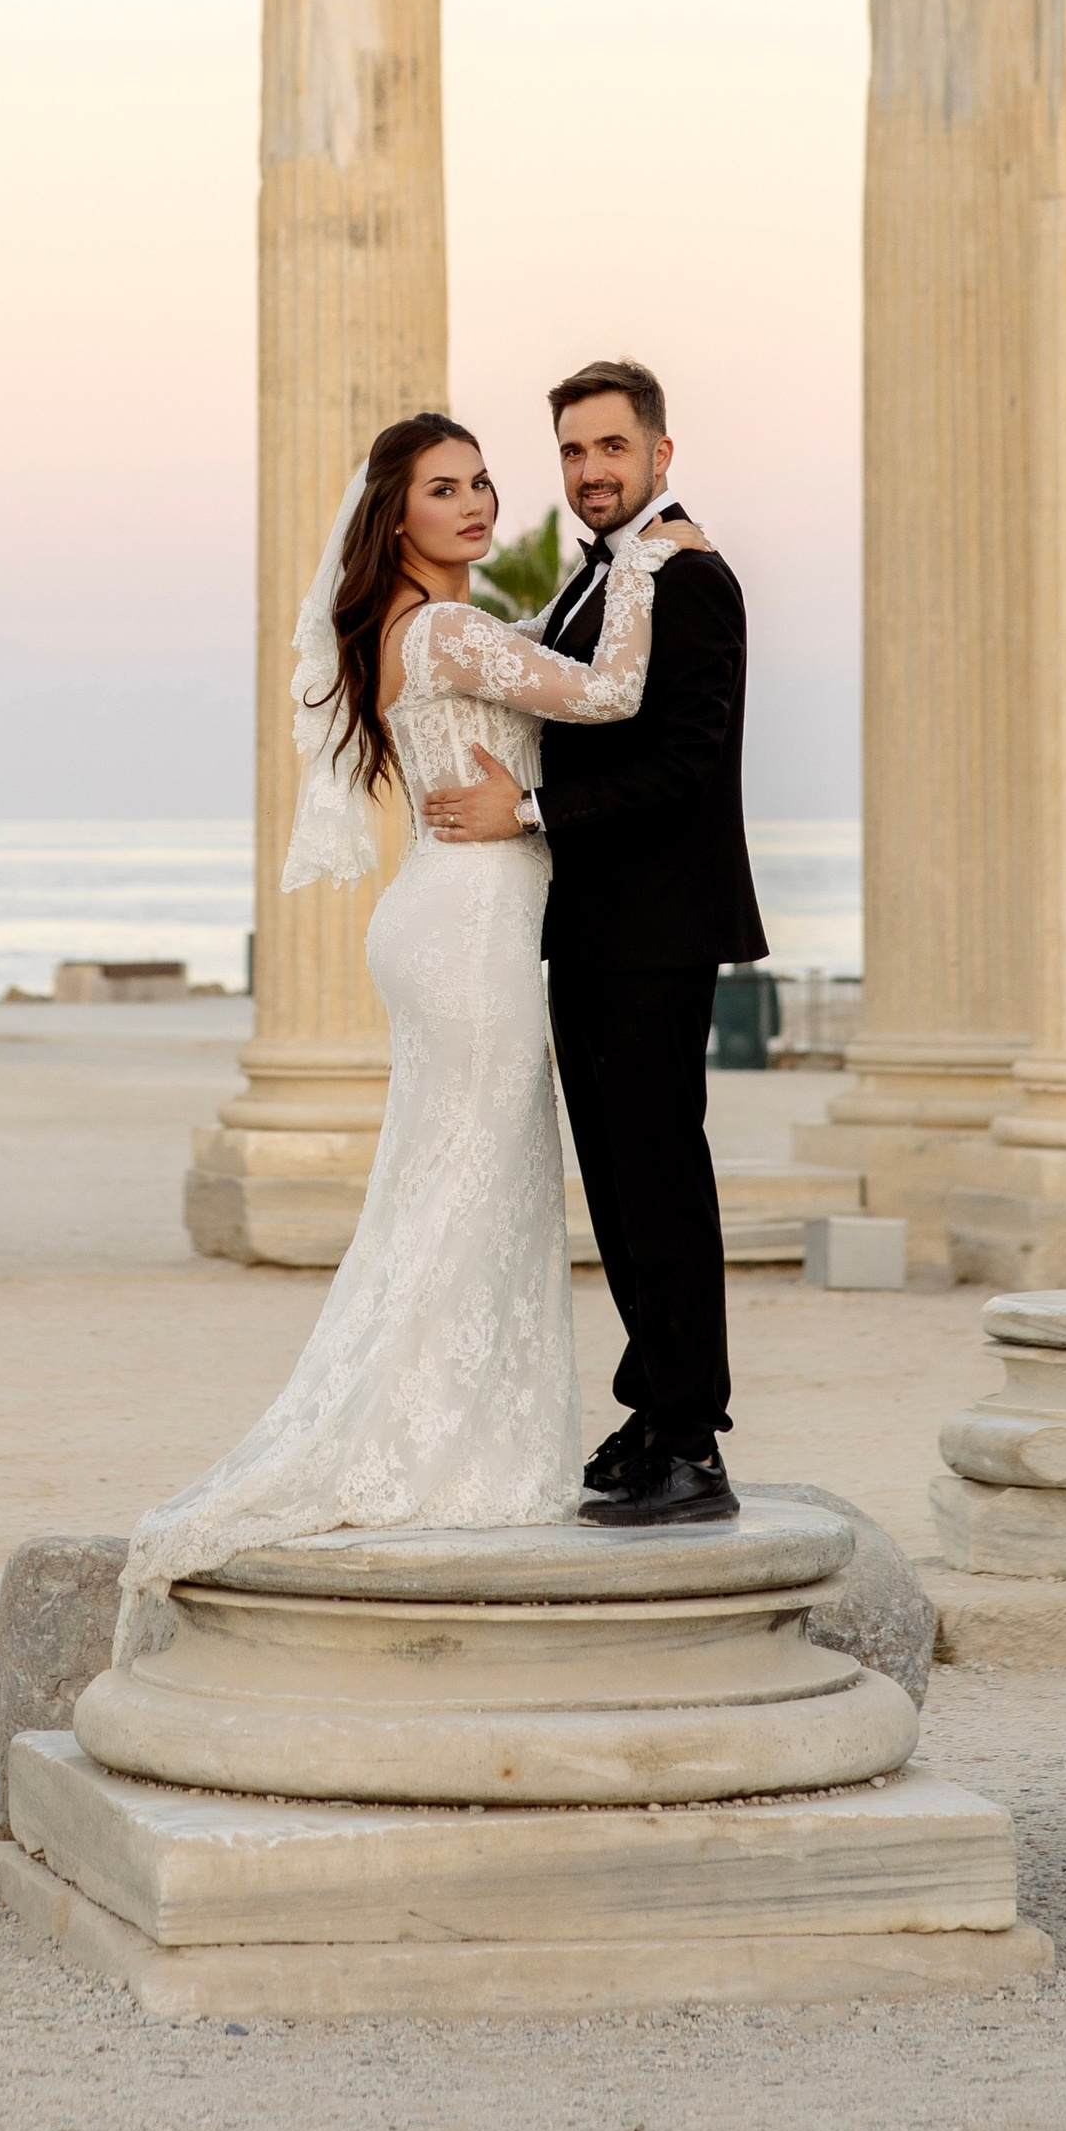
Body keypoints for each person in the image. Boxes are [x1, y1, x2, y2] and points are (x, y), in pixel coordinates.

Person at [112, 408, 702, 1659]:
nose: (478, 504)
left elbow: (535, 660)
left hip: (446, 916)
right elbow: (610, 690)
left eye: (484, 482)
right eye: (445, 489)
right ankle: (429, 1439)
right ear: (398, 519)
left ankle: (452, 1424)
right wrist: (645, 560)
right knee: (477, 1177)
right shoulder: (436, 628)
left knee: (459, 1178)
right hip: (472, 927)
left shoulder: (432, 629)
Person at [422, 357, 765, 1529]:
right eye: (572, 452)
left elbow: (682, 768)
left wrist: (521, 814)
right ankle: (651, 1406)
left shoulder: (692, 579)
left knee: (660, 1178)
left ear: (659, 455)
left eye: (610, 449)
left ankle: (693, 1440)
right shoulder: (599, 582)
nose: (589, 471)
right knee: (617, 1186)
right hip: (594, 924)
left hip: (658, 927)